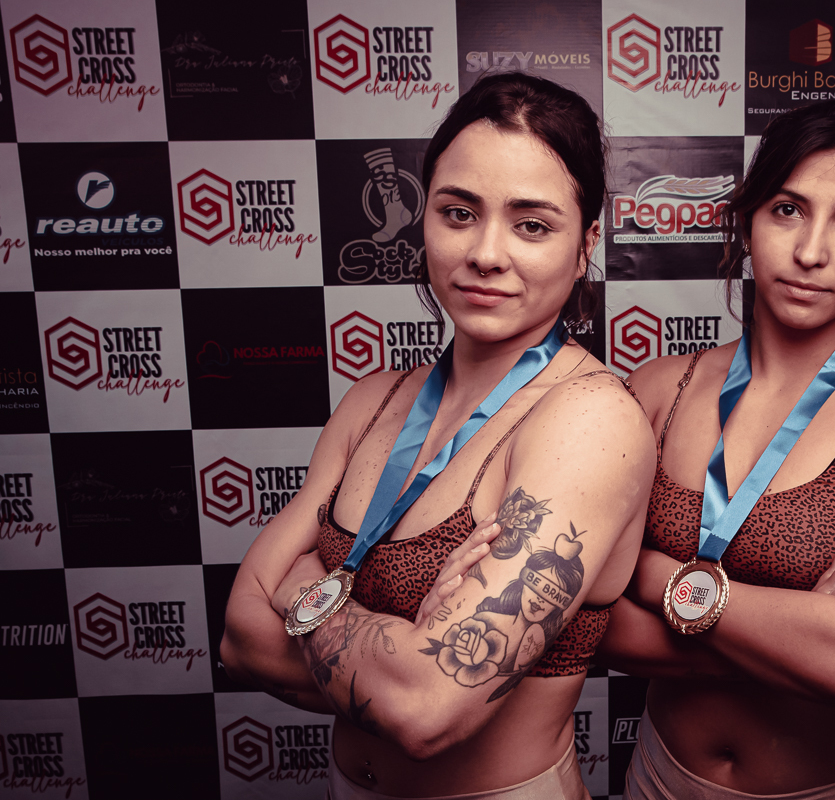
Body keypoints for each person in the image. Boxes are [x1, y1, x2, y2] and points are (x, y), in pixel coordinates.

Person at [220, 72, 658, 799]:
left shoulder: (589, 419)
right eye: (458, 213)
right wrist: (394, 656)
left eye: (531, 225)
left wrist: (301, 590)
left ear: (586, 244)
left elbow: (426, 709)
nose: (485, 253)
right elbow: (240, 638)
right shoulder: (374, 399)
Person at [600, 99, 835, 798]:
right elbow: (590, 627)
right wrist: (803, 627)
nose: (811, 251)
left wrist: (660, 579)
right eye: (787, 209)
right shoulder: (656, 390)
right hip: (660, 778)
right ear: (747, 220)